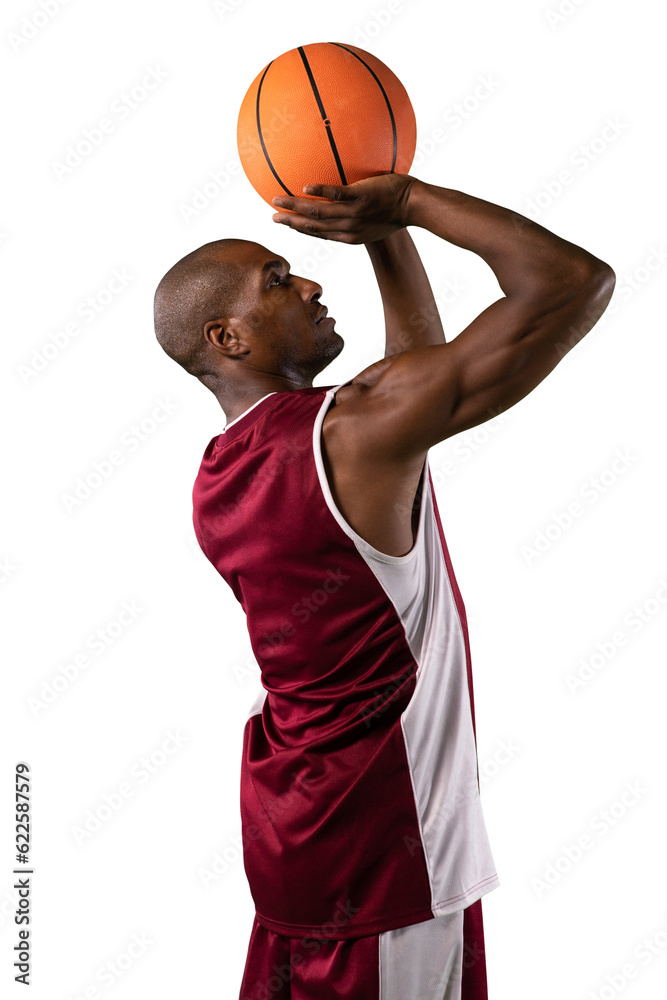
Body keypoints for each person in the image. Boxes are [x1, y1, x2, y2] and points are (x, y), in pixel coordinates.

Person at [153, 173, 615, 999]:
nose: (308, 282)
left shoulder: (218, 479)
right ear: (227, 338)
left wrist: (379, 237)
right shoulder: (358, 433)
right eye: (277, 281)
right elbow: (571, 282)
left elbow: (412, 377)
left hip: (298, 841)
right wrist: (405, 203)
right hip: (387, 861)